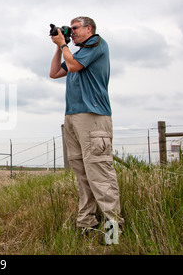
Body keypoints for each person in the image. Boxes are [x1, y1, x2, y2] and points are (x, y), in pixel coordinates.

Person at [49, 16, 124, 236]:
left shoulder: (96, 43)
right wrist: (57, 45)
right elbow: (54, 73)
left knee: (100, 175)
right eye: (69, 29)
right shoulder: (78, 51)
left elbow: (72, 66)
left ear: (88, 28)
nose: (71, 32)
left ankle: (113, 232)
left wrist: (63, 44)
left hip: (93, 116)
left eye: (74, 28)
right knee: (83, 176)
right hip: (73, 116)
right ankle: (86, 225)